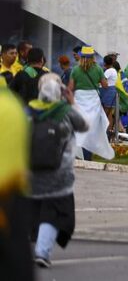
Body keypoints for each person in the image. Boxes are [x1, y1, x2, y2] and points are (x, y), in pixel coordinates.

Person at [28, 74, 89, 268]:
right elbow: (84, 125)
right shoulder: (65, 111)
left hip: (33, 172)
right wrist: (72, 102)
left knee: (33, 212)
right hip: (60, 175)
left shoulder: (30, 111)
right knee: (54, 213)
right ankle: (42, 251)